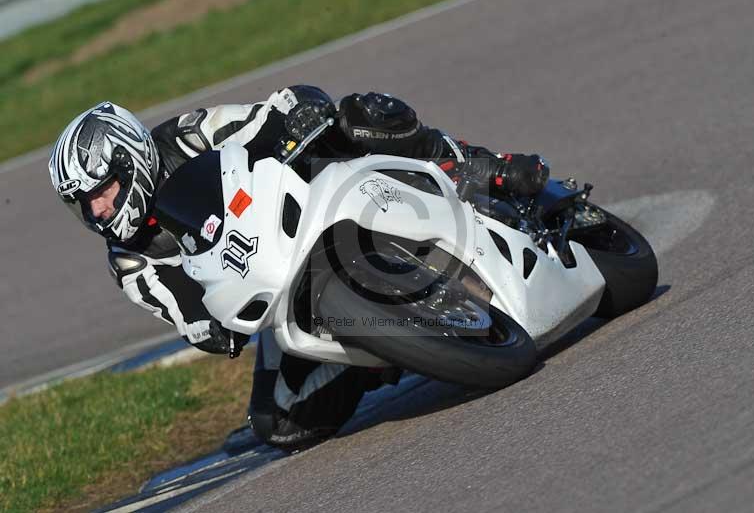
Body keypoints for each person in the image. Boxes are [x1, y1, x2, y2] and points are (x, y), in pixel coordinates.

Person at [48, 86, 550, 450]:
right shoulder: (131, 260)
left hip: (297, 203)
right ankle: (389, 350)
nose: (97, 212)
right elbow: (194, 322)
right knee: (279, 423)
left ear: (129, 159)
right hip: (272, 282)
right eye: (83, 205)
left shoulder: (187, 136)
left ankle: (481, 168)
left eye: (102, 192)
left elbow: (265, 116)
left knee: (359, 115)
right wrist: (217, 328)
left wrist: (296, 117)